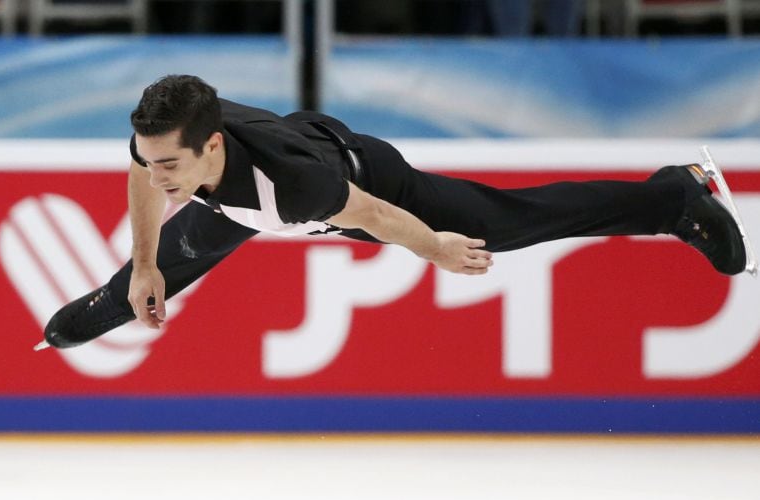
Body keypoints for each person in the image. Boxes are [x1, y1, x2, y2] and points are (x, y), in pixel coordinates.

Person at [41, 74, 749, 349]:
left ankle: (676, 194)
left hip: (368, 179)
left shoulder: (295, 189)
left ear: (211, 144)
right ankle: (106, 303)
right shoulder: (165, 142)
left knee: (512, 221)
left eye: (171, 164)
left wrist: (437, 247)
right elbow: (140, 168)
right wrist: (140, 265)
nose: (155, 172)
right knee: (154, 274)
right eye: (150, 157)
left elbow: (374, 215)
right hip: (248, 189)